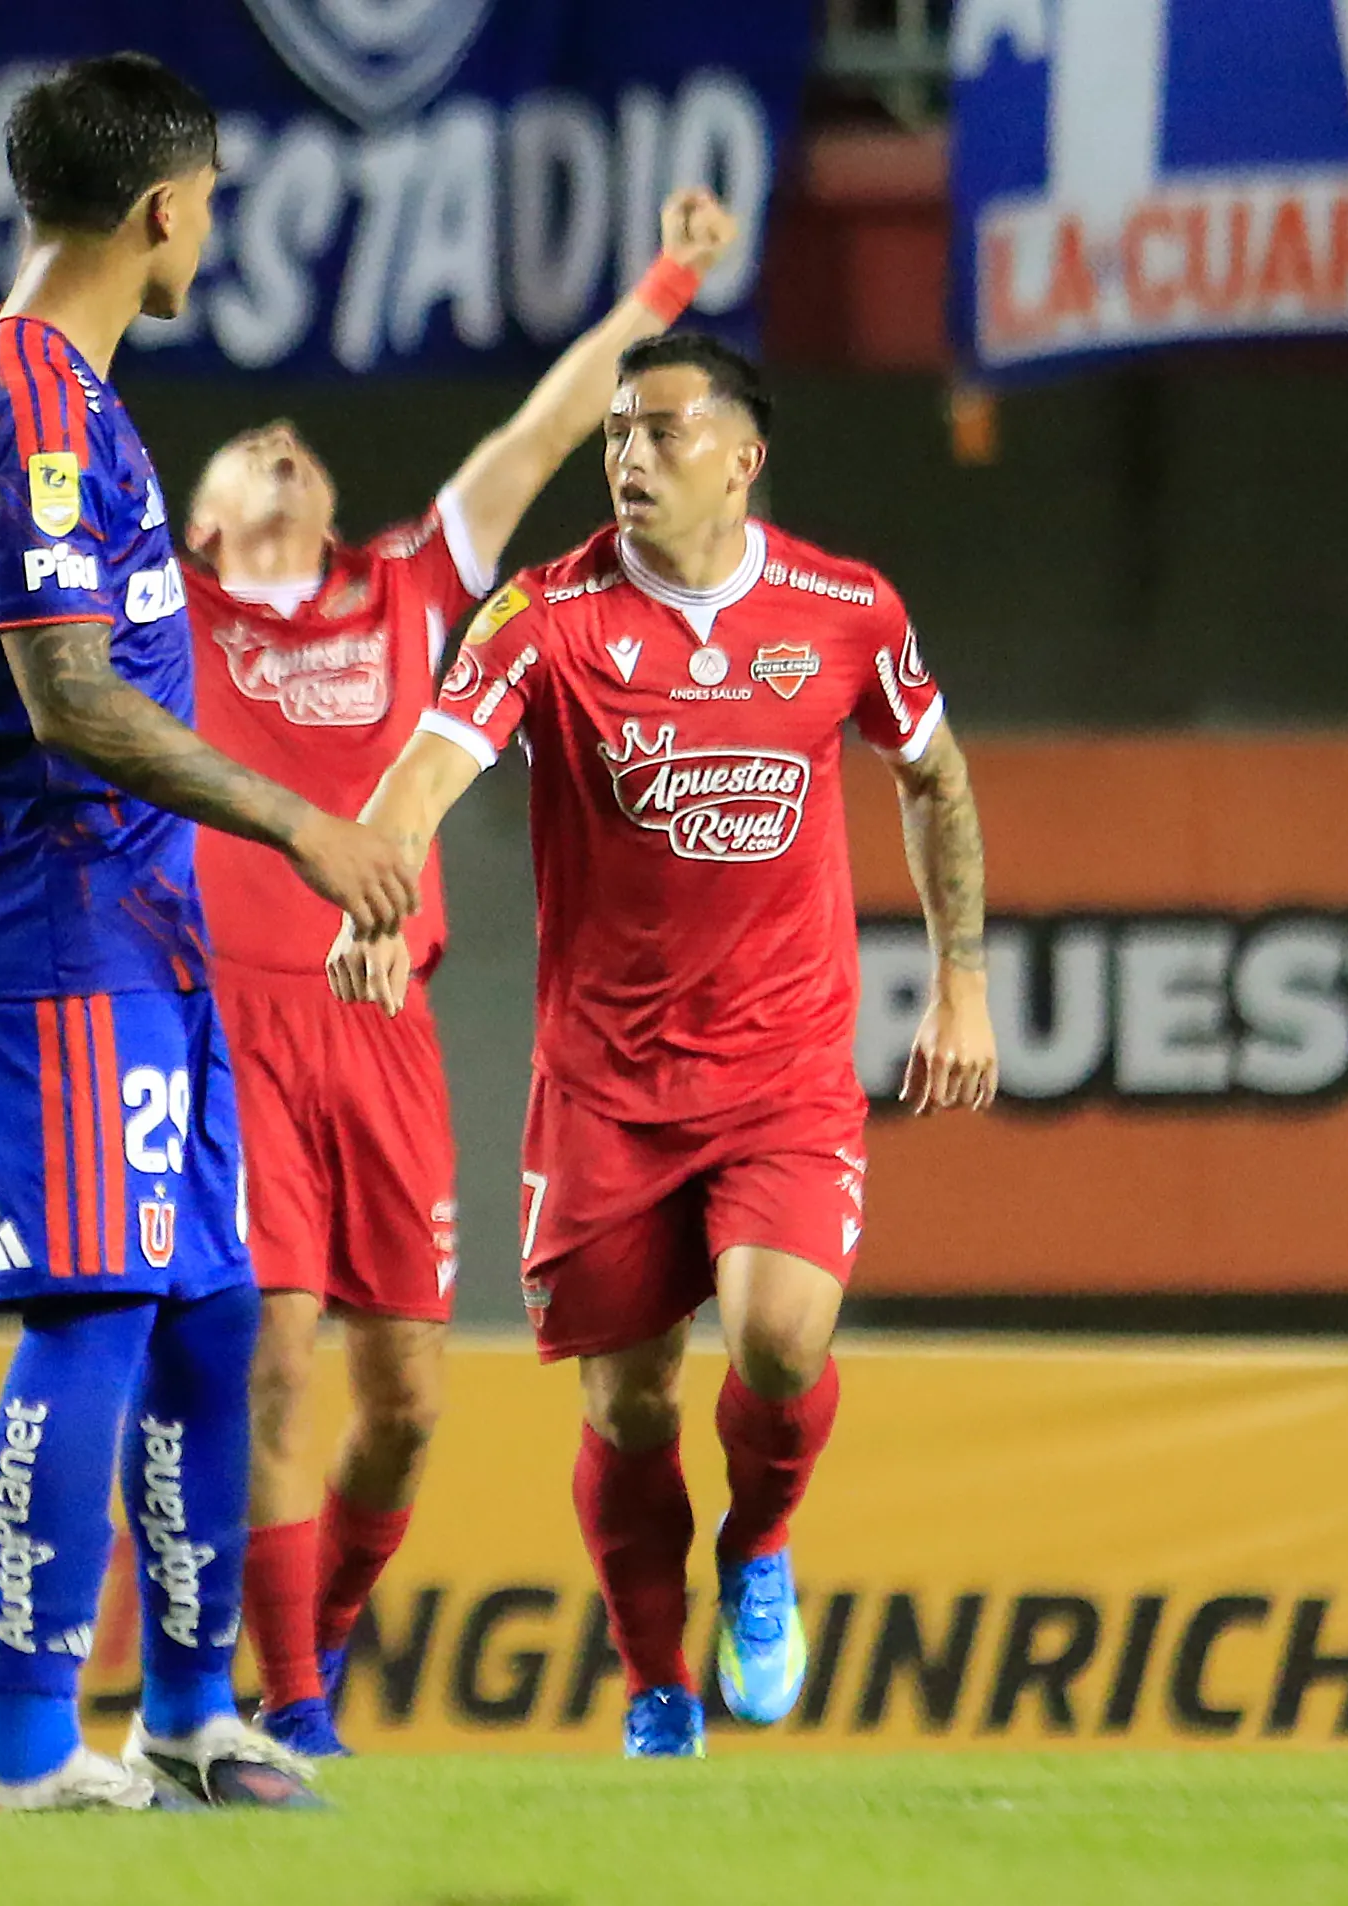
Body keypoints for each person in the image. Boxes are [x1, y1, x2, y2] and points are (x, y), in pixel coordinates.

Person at [0, 179, 740, 1757]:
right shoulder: (160, 610)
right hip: (221, 1021)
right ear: (184, 522)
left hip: (380, 1035)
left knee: (404, 1402)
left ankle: (294, 1655)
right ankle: (287, 1706)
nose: (277, 441)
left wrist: (661, 280)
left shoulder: (403, 589)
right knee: (257, 1360)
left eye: (298, 446)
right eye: (244, 449)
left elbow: (540, 432)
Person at [328, 335, 999, 1758]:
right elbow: (423, 772)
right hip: (606, 1088)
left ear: (744, 454)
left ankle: (759, 1546)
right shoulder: (544, 618)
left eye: (662, 430)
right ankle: (655, 1683)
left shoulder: (845, 610)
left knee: (777, 1334)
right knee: (631, 1403)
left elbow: (932, 773)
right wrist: (376, 892)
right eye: (616, 433)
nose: (629, 455)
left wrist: (963, 978)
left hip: (784, 1070)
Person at [0, 53, 416, 1813]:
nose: (215, 234)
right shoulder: (35, 403)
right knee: (97, 1313)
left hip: (142, 922)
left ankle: (190, 1711)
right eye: (214, 205)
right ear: (164, 210)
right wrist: (293, 816)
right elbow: (64, 696)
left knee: (205, 1315)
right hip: (51, 915)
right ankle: (24, 1739)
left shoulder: (70, 394)